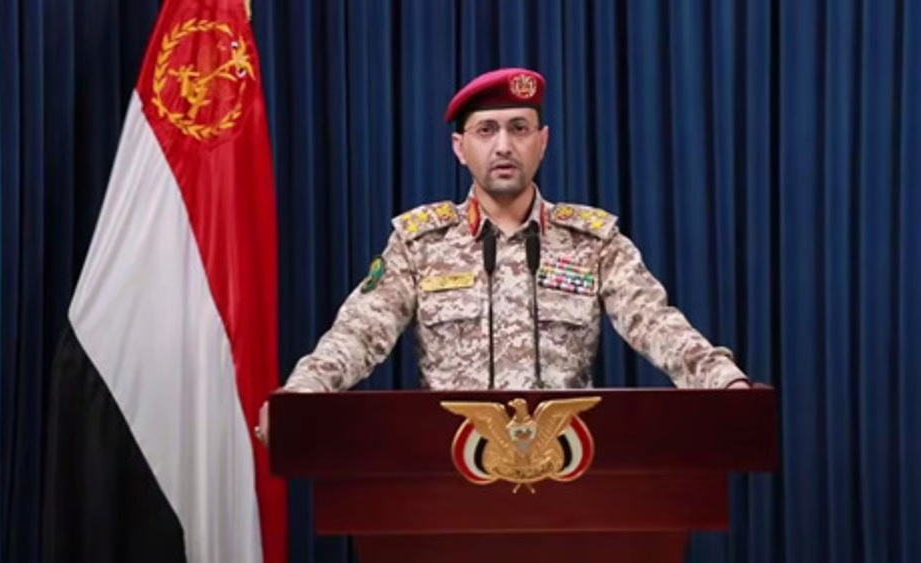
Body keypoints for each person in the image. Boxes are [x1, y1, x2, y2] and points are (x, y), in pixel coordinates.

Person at [255, 67, 749, 445]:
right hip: (448, 471)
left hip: (569, 473)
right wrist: (302, 398)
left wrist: (727, 386)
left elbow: (659, 325)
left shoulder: (592, 241)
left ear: (543, 141)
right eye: (486, 131)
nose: (505, 146)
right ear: (459, 147)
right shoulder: (419, 243)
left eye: (519, 128)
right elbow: (358, 334)